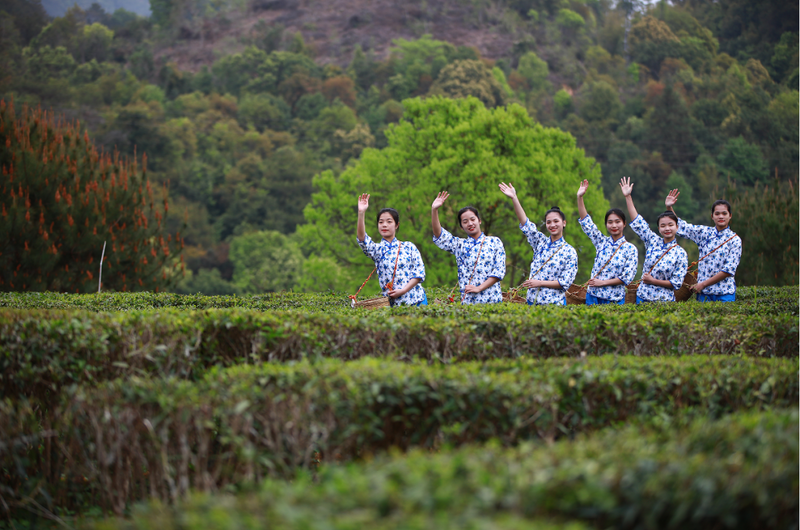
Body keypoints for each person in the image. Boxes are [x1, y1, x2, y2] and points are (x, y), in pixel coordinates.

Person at [498, 182, 578, 306]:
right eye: (548, 222)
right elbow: (525, 223)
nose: (552, 225)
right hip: (531, 301)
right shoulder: (540, 242)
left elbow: (564, 283)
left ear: (564, 223)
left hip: (554, 304)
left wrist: (539, 283)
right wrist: (514, 198)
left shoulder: (570, 251)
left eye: (556, 221)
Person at [619, 177, 688, 304]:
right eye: (663, 226)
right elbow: (637, 222)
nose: (667, 228)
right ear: (659, 228)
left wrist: (653, 281)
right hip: (642, 297)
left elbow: (676, 283)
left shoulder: (681, 253)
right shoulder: (653, 241)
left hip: (664, 302)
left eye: (671, 225)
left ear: (677, 227)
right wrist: (628, 196)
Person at [665, 190, 742, 302]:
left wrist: (703, 284)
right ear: (712, 216)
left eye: (724, 213)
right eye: (717, 214)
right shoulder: (705, 233)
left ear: (730, 216)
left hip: (724, 293)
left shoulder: (735, 240)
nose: (721, 216)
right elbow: (681, 227)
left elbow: (728, 270)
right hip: (704, 294)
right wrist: (669, 208)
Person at [431, 191, 506, 304]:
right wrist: (434, 210)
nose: (470, 224)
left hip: (493, 301)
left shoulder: (494, 242)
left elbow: (499, 271)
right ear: (461, 227)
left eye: (472, 219)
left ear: (479, 221)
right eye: (465, 222)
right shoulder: (460, 245)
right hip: (469, 303)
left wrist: (479, 288)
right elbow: (439, 235)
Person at [356, 193, 428, 306]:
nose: (384, 225)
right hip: (393, 305)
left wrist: (403, 291)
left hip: (417, 300)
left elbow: (419, 273)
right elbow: (362, 239)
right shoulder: (377, 250)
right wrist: (361, 213)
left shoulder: (409, 247)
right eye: (381, 222)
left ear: (396, 225)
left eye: (389, 222)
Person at [576, 179, 638, 305]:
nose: (614, 225)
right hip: (593, 296)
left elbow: (627, 278)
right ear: (606, 225)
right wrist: (580, 197)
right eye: (610, 222)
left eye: (617, 221)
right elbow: (587, 222)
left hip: (614, 298)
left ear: (624, 224)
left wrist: (602, 283)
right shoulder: (601, 242)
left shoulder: (630, 249)